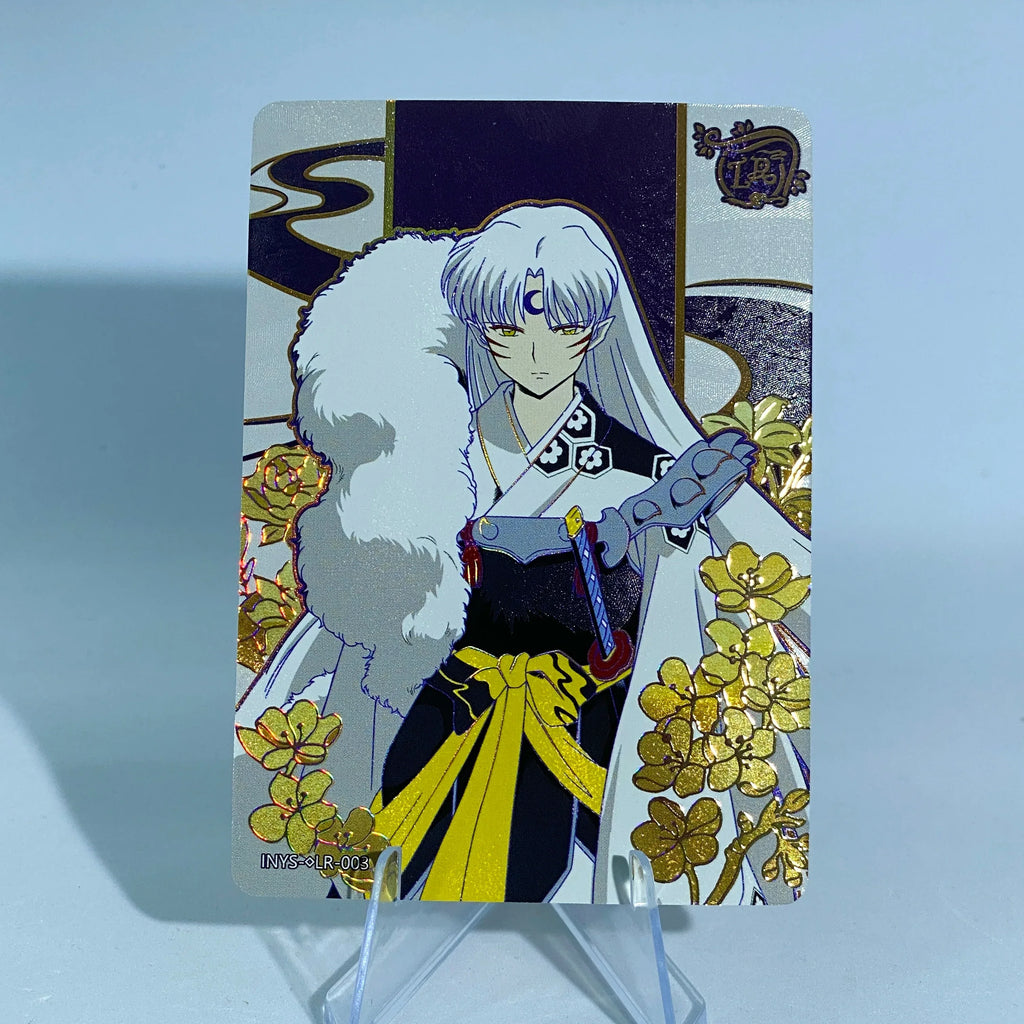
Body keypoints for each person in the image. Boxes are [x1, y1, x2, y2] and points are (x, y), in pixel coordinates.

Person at [240, 202, 810, 904]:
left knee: (576, 883)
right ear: (478, 328)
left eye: (562, 326)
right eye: (509, 328)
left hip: (583, 725)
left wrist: (656, 528)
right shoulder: (431, 448)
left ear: (596, 329)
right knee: (388, 873)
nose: (536, 351)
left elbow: (679, 600)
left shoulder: (641, 469)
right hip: (444, 710)